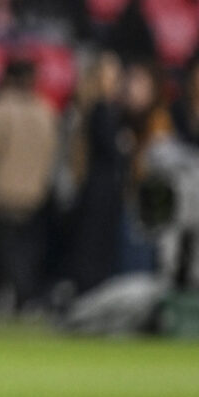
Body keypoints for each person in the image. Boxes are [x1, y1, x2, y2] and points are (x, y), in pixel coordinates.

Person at [0, 58, 59, 315]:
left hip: (0, 194)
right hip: (34, 196)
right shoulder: (44, 110)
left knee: (6, 254)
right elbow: (52, 153)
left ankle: (23, 299)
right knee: (16, 253)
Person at [68, 51, 128, 294]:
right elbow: (113, 150)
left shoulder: (89, 109)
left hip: (93, 186)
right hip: (101, 189)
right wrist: (125, 145)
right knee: (95, 247)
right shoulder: (101, 110)